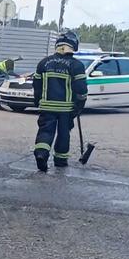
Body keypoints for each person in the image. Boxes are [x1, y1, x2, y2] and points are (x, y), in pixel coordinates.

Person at [32, 30, 88, 172]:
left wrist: (37, 101)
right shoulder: (76, 65)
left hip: (47, 106)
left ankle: (41, 154)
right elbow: (81, 89)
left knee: (45, 131)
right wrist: (79, 106)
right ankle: (60, 160)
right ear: (73, 45)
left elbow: (36, 86)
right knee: (64, 133)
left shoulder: (44, 63)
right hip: (66, 109)